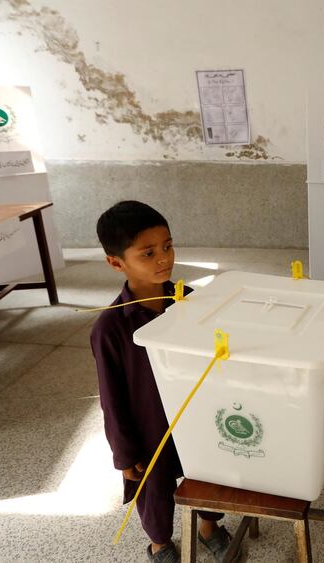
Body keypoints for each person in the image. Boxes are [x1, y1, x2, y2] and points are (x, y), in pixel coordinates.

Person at [90, 201, 231, 563]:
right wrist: (123, 453)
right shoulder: (111, 328)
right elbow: (112, 398)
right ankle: (158, 542)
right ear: (116, 262)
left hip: (194, 416)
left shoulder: (193, 303)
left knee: (205, 473)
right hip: (148, 427)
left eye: (167, 245)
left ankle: (208, 526)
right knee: (155, 488)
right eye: (148, 252)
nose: (163, 259)